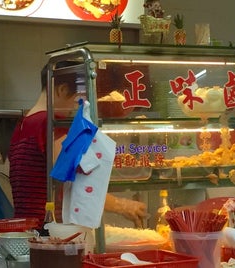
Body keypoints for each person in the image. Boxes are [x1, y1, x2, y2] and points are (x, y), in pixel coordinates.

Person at [9, 61, 148, 227]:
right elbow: (80, 184)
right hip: (49, 232)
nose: (77, 106)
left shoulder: (24, 124)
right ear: (61, 90)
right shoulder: (51, 123)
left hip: (27, 229)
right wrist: (122, 205)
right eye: (77, 98)